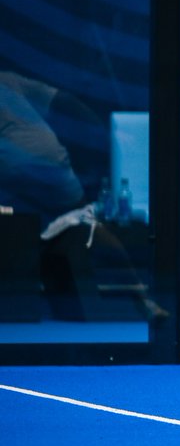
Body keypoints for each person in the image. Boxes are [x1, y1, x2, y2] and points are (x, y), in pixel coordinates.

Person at [0, 70, 166, 320]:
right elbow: (65, 100)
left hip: (10, 165)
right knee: (88, 222)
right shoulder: (7, 80)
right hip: (51, 162)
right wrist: (101, 132)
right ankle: (143, 300)